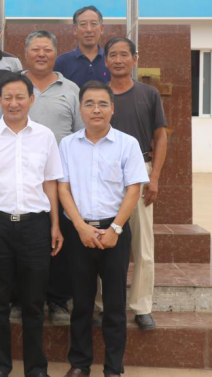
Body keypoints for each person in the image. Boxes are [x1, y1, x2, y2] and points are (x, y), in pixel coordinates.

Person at [0, 73, 64, 377]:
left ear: (31, 100)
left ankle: (36, 368)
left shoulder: (45, 136)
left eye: (20, 97)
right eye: (7, 97)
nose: (14, 103)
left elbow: (50, 182)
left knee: (34, 303)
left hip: (35, 226)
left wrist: (55, 224)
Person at [57, 81, 150, 377]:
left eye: (102, 104)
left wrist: (116, 229)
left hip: (115, 232)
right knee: (81, 302)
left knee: (114, 304)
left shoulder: (127, 144)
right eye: (89, 104)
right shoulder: (68, 145)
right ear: (80, 109)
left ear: (112, 108)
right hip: (79, 233)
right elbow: (63, 189)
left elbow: (133, 190)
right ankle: (80, 363)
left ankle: (113, 367)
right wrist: (80, 227)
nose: (96, 109)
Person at [0, 31, 83, 325]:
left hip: (61, 180)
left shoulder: (71, 89)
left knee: (58, 240)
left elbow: (80, 134)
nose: (41, 54)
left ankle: (57, 301)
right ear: (25, 53)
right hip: (17, 179)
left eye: (47, 49)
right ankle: (19, 300)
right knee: (20, 244)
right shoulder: (12, 87)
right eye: (35, 49)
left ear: (56, 53)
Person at [104, 37, 168, 331]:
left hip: (140, 170)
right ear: (106, 60)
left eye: (123, 55)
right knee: (102, 239)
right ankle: (100, 304)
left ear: (134, 59)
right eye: (112, 55)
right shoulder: (99, 94)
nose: (118, 60)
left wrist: (154, 178)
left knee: (142, 244)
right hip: (104, 173)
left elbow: (160, 137)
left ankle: (142, 307)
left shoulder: (148, 93)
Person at [54, 6, 111, 87]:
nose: (89, 29)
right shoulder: (62, 62)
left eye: (93, 24)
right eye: (83, 24)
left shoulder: (111, 60)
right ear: (75, 29)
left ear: (101, 28)